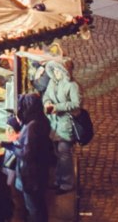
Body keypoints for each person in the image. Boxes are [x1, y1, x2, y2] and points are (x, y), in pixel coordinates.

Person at [8, 92, 55, 222]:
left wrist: (12, 144)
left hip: (31, 176)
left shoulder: (32, 127)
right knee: (39, 204)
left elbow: (26, 153)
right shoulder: (42, 120)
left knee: (33, 206)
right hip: (40, 172)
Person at [42, 60, 81, 192]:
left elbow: (76, 104)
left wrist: (57, 107)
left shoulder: (72, 85)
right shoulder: (53, 82)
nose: (56, 73)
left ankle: (66, 183)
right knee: (58, 153)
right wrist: (47, 102)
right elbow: (46, 95)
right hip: (54, 124)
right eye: (55, 70)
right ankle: (59, 180)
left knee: (64, 153)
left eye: (59, 70)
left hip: (65, 125)